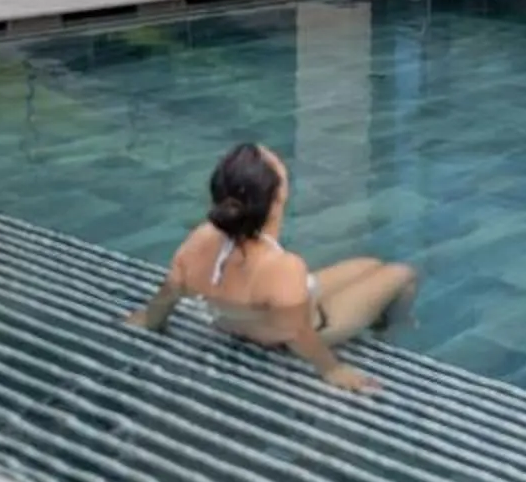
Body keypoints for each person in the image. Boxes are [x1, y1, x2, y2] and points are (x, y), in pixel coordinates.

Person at [126, 141, 416, 393]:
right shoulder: (283, 267)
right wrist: (333, 371)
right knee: (402, 274)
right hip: (306, 327)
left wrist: (147, 320)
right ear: (278, 199)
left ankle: (374, 313)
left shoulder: (201, 239)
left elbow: (169, 293)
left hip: (245, 314)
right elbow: (298, 334)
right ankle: (387, 335)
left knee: (369, 264)